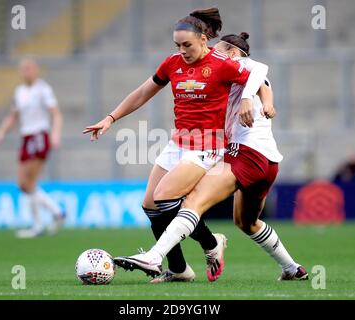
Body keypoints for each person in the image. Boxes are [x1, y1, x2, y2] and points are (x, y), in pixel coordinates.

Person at [83, 8, 268, 282]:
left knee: (165, 196)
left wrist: (249, 99)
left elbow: (259, 78)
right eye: (178, 45)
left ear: (204, 40)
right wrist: (111, 118)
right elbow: (143, 92)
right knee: (150, 205)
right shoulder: (172, 64)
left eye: (187, 45)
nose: (182, 50)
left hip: (208, 144)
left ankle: (211, 244)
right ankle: (180, 268)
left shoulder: (222, 64)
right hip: (178, 142)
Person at [114, 33, 309, 281]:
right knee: (246, 222)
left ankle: (154, 256)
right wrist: (267, 103)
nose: (211, 57)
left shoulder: (241, 65)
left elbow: (259, 69)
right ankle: (292, 268)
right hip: (268, 161)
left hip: (244, 153)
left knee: (193, 202)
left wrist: (254, 100)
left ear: (232, 53)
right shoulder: (234, 73)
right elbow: (264, 84)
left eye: (217, 51)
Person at [0, 57, 66, 238]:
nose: (26, 72)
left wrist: (55, 134)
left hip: (39, 136)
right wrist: (1, 132)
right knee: (23, 184)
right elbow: (13, 116)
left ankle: (39, 224)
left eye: (29, 68)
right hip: (26, 137)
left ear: (36, 70)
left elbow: (56, 114)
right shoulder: (20, 92)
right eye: (23, 69)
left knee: (29, 182)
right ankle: (56, 212)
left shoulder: (43, 89)